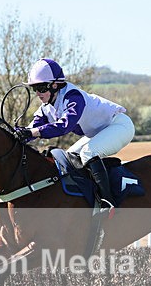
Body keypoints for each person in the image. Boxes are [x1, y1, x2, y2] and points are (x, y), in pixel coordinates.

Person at [15, 58, 135, 211]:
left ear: (55, 85)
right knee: (69, 158)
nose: (38, 93)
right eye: (34, 88)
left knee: (88, 153)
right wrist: (16, 135)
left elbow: (64, 126)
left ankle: (107, 203)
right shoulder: (47, 106)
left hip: (119, 126)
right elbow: (32, 129)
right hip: (99, 132)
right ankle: (89, 199)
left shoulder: (73, 97)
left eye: (41, 88)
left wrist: (32, 132)